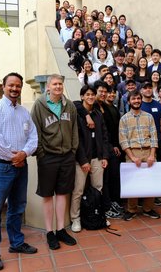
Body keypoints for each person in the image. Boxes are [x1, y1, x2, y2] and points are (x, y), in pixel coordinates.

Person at [0, 72, 38, 271]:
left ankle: (16, 243)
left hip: (21, 167)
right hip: (0, 168)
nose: (15, 89)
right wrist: (13, 156)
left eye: (18, 86)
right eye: (11, 85)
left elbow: (33, 137)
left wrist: (23, 154)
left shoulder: (24, 112)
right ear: (3, 87)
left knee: (17, 207)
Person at [31, 74, 79, 250]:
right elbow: (34, 131)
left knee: (62, 193)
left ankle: (60, 230)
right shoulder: (39, 105)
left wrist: (73, 151)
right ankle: (49, 232)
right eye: (55, 84)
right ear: (48, 87)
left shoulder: (70, 105)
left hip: (67, 156)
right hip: (48, 157)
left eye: (60, 84)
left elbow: (74, 130)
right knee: (47, 195)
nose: (58, 86)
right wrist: (41, 153)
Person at [70, 85, 109, 232]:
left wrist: (105, 156)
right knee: (78, 190)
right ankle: (76, 219)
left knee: (98, 189)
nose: (91, 97)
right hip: (82, 160)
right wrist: (83, 161)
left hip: (97, 158)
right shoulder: (77, 113)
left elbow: (105, 137)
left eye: (93, 94)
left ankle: (98, 216)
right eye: (87, 94)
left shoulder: (98, 114)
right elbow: (76, 140)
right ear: (82, 97)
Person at [119, 90, 160, 221]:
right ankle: (132, 209)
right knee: (133, 183)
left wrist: (152, 155)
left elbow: (154, 136)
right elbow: (123, 140)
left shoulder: (149, 117)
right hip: (133, 152)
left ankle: (148, 208)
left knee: (150, 182)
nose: (136, 101)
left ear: (141, 100)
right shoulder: (124, 119)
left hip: (148, 152)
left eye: (138, 98)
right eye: (133, 99)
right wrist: (132, 157)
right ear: (129, 101)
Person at [140, 81, 161, 206]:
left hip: (156, 142)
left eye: (150, 87)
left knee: (154, 170)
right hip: (143, 143)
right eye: (145, 88)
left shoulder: (159, 106)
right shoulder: (138, 105)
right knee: (142, 171)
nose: (148, 90)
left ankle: (153, 196)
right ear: (141, 91)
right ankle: (141, 197)